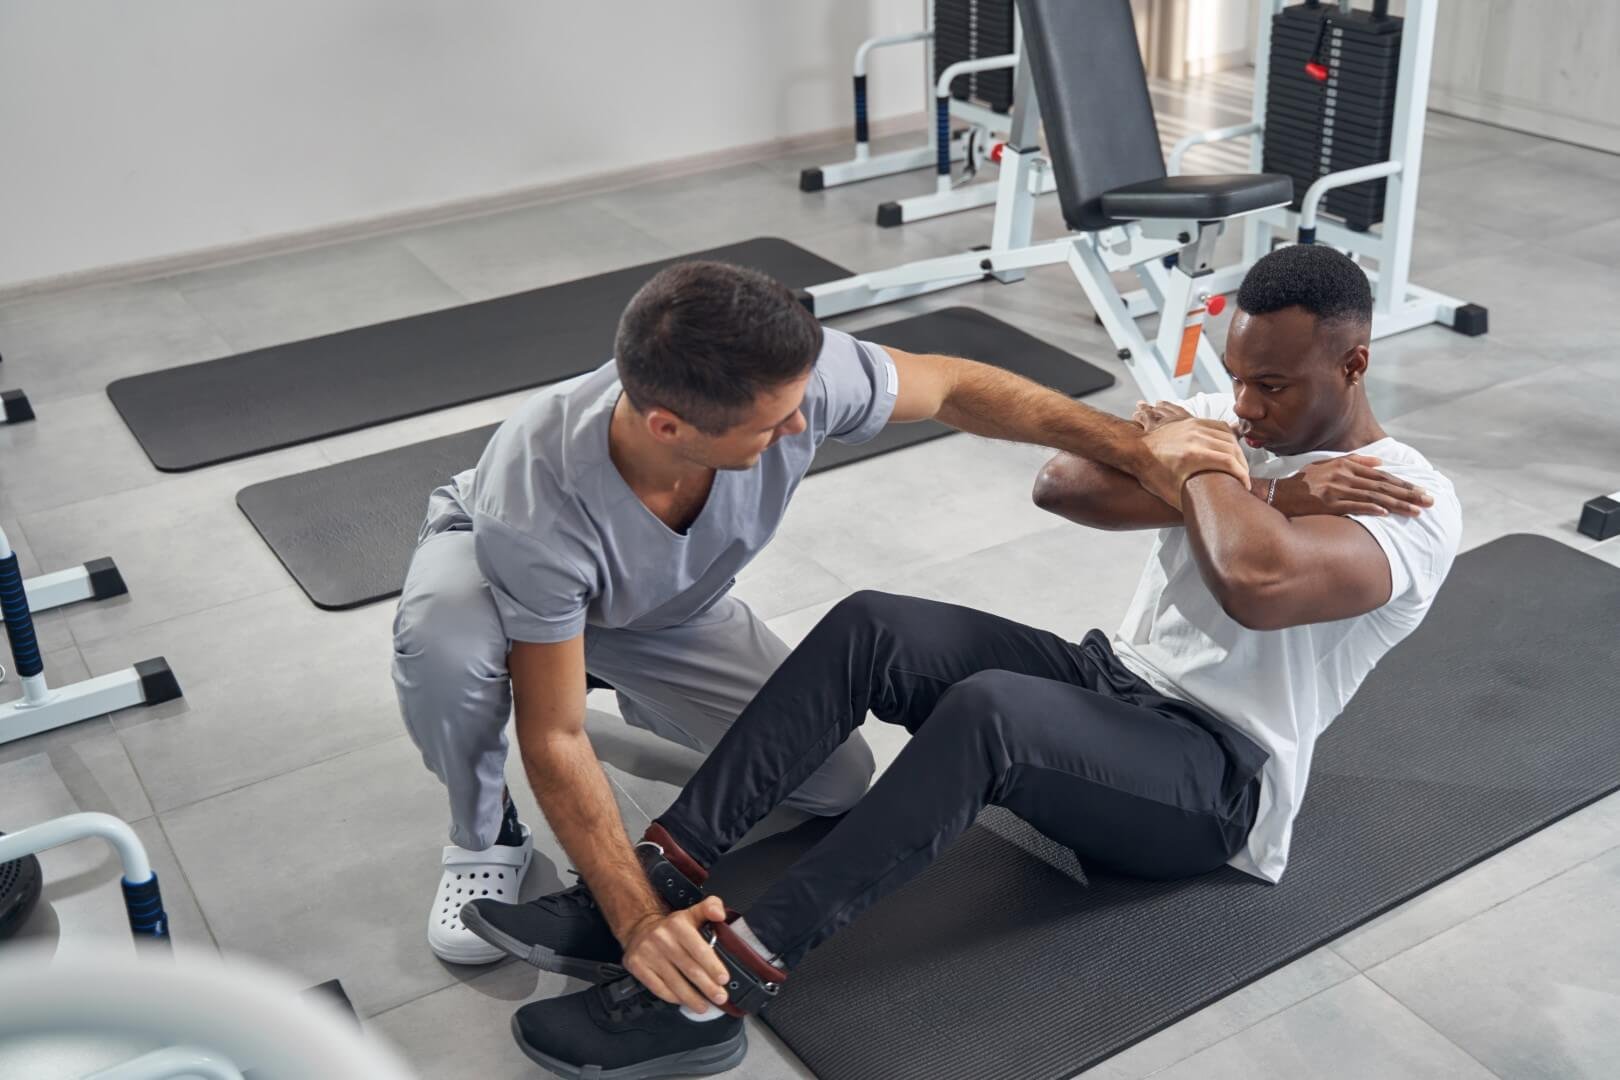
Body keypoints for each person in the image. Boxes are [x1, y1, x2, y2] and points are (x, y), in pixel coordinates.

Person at [471, 243, 1462, 1079]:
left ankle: (719, 990)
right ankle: (655, 884)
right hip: (1110, 681)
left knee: (992, 710)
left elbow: (1255, 577)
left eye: (1272, 385)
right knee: (876, 623)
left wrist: (1206, 464)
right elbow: (1066, 484)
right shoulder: (1243, 440)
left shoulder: (1407, 497)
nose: (1242, 402)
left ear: (1356, 364)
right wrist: (1265, 485)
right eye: (1236, 377)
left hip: (1214, 780)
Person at [395, 258, 1222, 964]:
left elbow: (956, 386)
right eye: (774, 422)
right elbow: (554, 734)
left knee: (834, 780)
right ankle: (483, 832)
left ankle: (621, 684)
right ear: (668, 425)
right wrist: (637, 919)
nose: (803, 423)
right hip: (497, 579)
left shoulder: (796, 379)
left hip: (663, 606)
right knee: (448, 644)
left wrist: (1131, 446)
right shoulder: (535, 499)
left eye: (802, 402)